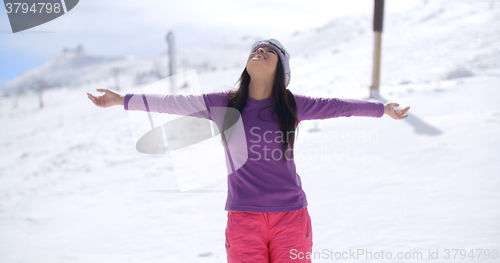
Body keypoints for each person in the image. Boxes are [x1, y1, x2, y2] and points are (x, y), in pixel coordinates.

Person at [87, 38, 410, 263]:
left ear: (281, 69)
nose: (260, 50)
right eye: (257, 48)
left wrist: (382, 109)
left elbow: (339, 106)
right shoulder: (225, 104)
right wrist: (122, 99)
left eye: (269, 50)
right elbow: (173, 103)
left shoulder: (291, 105)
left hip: (291, 218)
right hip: (243, 218)